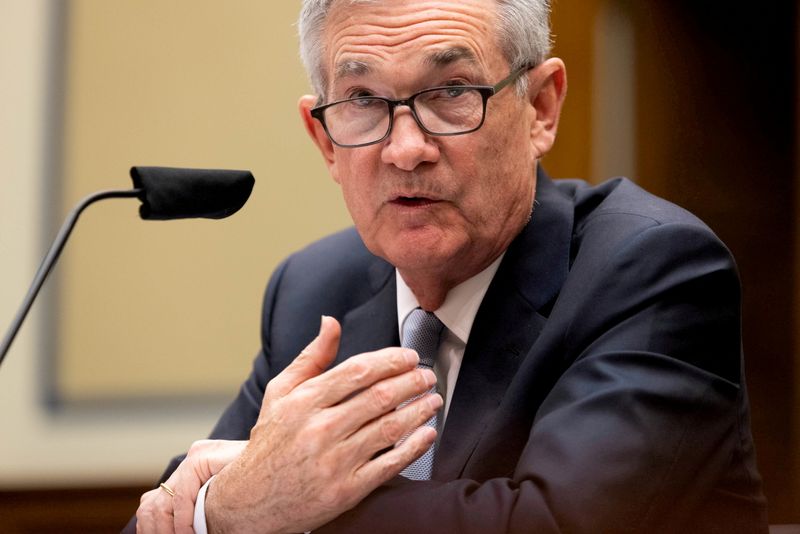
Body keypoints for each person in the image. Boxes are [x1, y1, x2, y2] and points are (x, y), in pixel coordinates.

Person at [129, 0, 769, 532]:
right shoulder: (314, 289)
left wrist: (262, 505)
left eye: (452, 92)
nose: (405, 149)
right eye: (362, 100)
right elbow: (164, 514)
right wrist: (229, 507)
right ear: (323, 138)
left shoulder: (652, 269)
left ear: (541, 108)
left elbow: (558, 523)